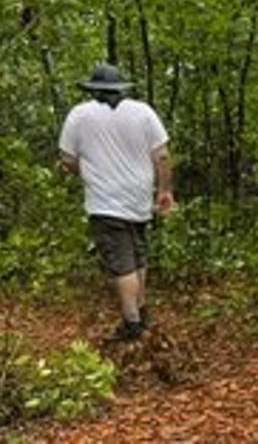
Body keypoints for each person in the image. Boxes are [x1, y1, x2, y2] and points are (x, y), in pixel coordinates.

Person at [58, 64, 175, 343]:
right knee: (137, 256)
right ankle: (141, 310)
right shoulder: (143, 112)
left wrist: (86, 171)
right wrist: (165, 190)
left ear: (92, 90)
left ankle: (132, 323)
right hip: (138, 199)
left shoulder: (79, 115)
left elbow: (67, 159)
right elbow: (162, 156)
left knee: (122, 264)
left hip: (104, 202)